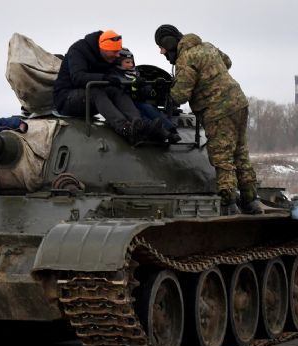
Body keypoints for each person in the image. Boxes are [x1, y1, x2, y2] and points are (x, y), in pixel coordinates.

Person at [154, 24, 263, 215]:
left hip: (216, 110)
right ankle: (251, 200)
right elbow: (227, 62)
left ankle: (228, 204)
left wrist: (168, 99)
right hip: (239, 103)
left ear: (170, 43)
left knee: (222, 157)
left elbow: (180, 95)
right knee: (240, 152)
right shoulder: (207, 46)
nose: (162, 52)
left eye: (162, 47)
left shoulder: (185, 60)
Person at [53, 29, 165, 143]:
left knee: (115, 90)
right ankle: (124, 128)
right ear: (104, 49)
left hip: (90, 101)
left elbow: (116, 77)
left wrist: (135, 82)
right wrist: (104, 78)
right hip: (67, 99)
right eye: (115, 52)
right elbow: (77, 77)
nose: (117, 55)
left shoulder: (108, 57)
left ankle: (139, 124)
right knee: (95, 90)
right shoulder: (78, 50)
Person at [112, 48, 181, 144]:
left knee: (148, 107)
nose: (131, 65)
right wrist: (133, 88)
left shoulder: (136, 74)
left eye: (132, 62)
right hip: (123, 105)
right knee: (139, 113)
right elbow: (118, 93)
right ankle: (162, 133)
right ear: (118, 62)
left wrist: (156, 88)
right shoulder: (114, 76)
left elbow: (145, 93)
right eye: (127, 62)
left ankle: (171, 130)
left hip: (138, 102)